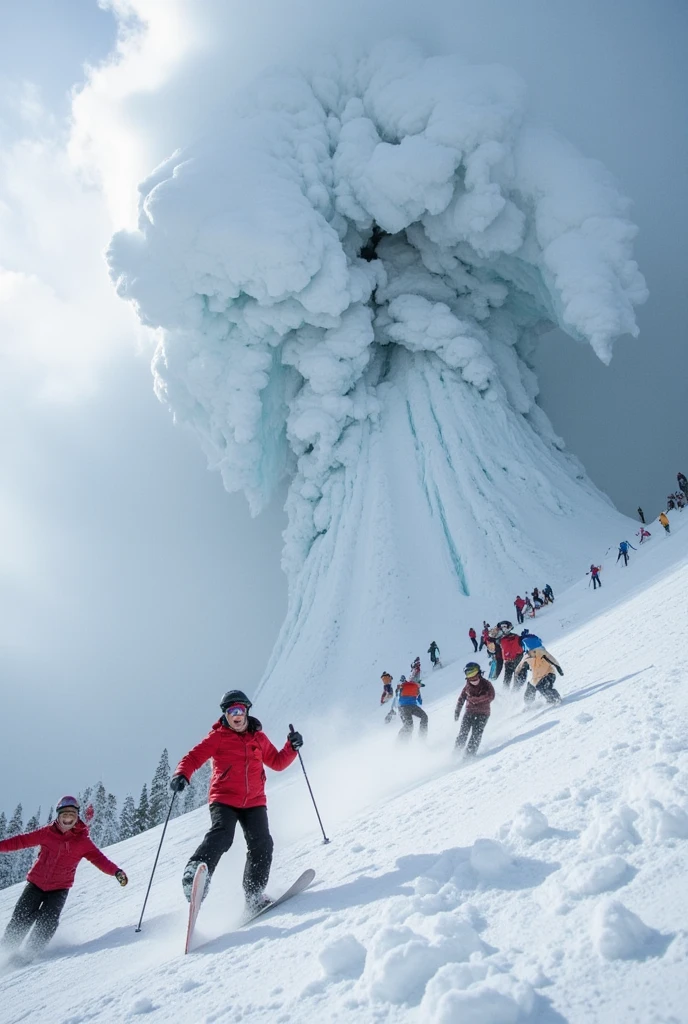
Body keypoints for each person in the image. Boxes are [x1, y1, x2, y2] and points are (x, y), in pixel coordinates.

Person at [170, 690, 302, 911]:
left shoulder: (258, 738)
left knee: (263, 844)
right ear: (226, 715)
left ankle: (253, 897)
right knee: (223, 834)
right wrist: (182, 774)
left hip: (255, 802)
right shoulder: (218, 737)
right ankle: (195, 871)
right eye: (231, 711)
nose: (236, 714)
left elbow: (277, 762)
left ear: (247, 711)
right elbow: (194, 757)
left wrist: (291, 747)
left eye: (240, 709)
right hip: (224, 798)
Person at [0, 796, 127, 961]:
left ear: (77, 818)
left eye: (72, 816)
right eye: (64, 816)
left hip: (59, 889)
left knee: (48, 922)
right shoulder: (46, 833)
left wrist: (116, 871)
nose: (68, 819)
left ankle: (28, 955)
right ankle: (5, 952)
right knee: (21, 918)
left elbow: (99, 859)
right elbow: (20, 841)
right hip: (35, 884)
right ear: (58, 817)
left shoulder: (82, 842)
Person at [454, 663, 495, 756]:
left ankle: (469, 754)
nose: (473, 679)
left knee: (476, 734)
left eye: (474, 676)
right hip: (469, 712)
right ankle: (456, 753)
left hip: (483, 713)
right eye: (469, 676)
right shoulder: (467, 686)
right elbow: (461, 698)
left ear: (479, 673)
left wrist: (476, 699)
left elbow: (491, 696)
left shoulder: (486, 684)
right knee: (463, 734)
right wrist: (457, 710)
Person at [498, 624, 524, 689]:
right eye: (502, 628)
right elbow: (492, 646)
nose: (504, 630)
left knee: (516, 679)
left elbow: (522, 647)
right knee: (507, 679)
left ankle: (515, 694)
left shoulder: (516, 637)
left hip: (517, 660)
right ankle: (506, 693)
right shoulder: (500, 639)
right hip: (508, 661)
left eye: (505, 627)